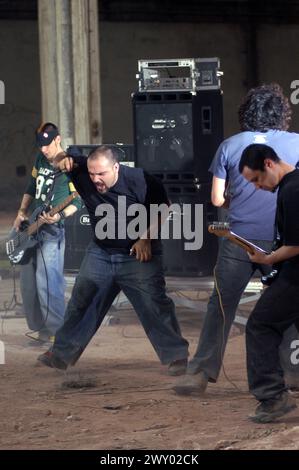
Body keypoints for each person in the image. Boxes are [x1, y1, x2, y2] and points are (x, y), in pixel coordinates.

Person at [174, 83, 299, 395]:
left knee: (221, 305)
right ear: (283, 113)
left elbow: (217, 199)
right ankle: (293, 374)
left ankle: (200, 372)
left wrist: (238, 202)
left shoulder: (229, 145)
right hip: (285, 242)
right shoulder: (298, 143)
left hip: (239, 240)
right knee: (287, 308)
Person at [37, 145, 189, 373]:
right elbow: (59, 157)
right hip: (101, 252)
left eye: (102, 174)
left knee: (153, 304)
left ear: (116, 167)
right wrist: (63, 159)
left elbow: (164, 209)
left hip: (137, 253)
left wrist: (146, 239)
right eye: (92, 173)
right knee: (82, 299)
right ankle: (61, 353)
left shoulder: (140, 180)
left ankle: (176, 356)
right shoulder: (82, 171)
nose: (96, 179)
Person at [239, 143, 299, 422]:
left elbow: (296, 245)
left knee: (260, 325)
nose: (257, 187)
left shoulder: (292, 189)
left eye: (257, 180)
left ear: (269, 164)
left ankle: (273, 398)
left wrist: (267, 259)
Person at [13, 122, 81, 342]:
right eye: (40, 145)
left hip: (52, 230)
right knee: (28, 282)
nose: (44, 149)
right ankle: (41, 328)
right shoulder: (41, 159)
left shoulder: (68, 164)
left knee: (48, 281)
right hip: (32, 226)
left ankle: (57, 333)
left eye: (47, 144)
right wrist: (22, 211)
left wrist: (59, 216)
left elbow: (77, 202)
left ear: (58, 139)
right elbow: (32, 187)